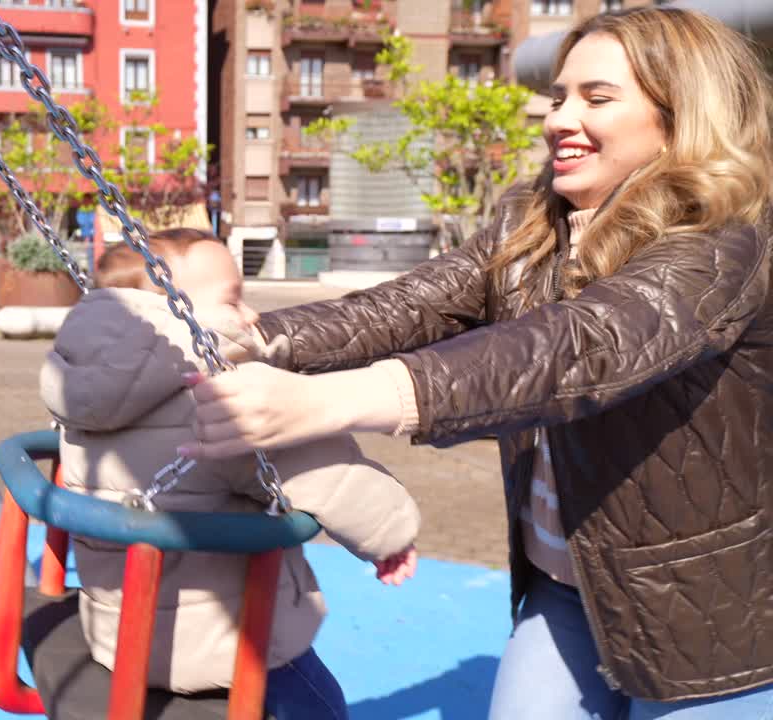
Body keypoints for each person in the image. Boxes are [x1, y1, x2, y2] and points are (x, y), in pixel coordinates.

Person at [181, 7, 773, 719]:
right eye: (559, 96)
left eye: (597, 98)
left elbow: (576, 347)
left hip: (707, 611)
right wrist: (258, 338)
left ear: (680, 119)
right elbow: (410, 306)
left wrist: (332, 401)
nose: (559, 119)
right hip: (570, 583)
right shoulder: (535, 220)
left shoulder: (724, 239)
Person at [39, 228, 420, 720]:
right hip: (231, 650)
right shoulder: (217, 400)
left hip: (118, 639)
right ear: (173, 311)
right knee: (323, 705)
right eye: (233, 300)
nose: (252, 314)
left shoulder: (80, 393)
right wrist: (390, 534)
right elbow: (326, 474)